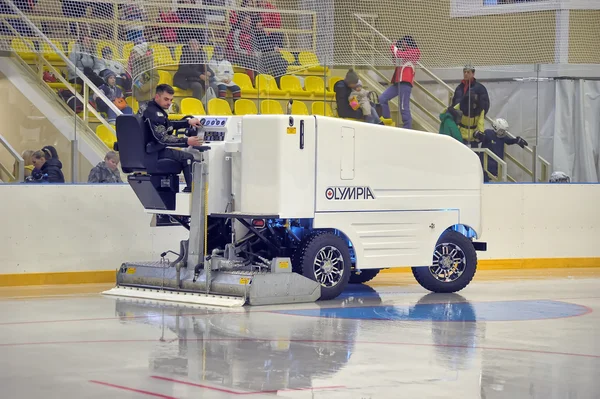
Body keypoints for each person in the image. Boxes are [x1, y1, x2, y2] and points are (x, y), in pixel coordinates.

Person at [143, 84, 204, 192]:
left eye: (171, 100)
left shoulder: (150, 108)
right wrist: (187, 141)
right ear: (157, 96)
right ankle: (193, 190)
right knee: (188, 157)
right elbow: (163, 139)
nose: (169, 103)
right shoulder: (154, 114)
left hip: (150, 149)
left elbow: (168, 125)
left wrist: (187, 122)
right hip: (154, 151)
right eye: (166, 99)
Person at [379, 36, 421, 129]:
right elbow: (396, 61)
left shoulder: (415, 52)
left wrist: (394, 48)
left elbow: (400, 55)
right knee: (382, 98)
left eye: (404, 42)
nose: (403, 44)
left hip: (405, 83)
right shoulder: (403, 52)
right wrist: (394, 51)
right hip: (397, 82)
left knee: (403, 107)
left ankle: (407, 128)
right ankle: (387, 120)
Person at [451, 64, 490, 144]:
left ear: (473, 73)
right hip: (460, 129)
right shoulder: (459, 88)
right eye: (464, 72)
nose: (465, 74)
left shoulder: (480, 88)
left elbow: (484, 106)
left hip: (473, 130)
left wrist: (475, 115)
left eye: (468, 72)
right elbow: (454, 103)